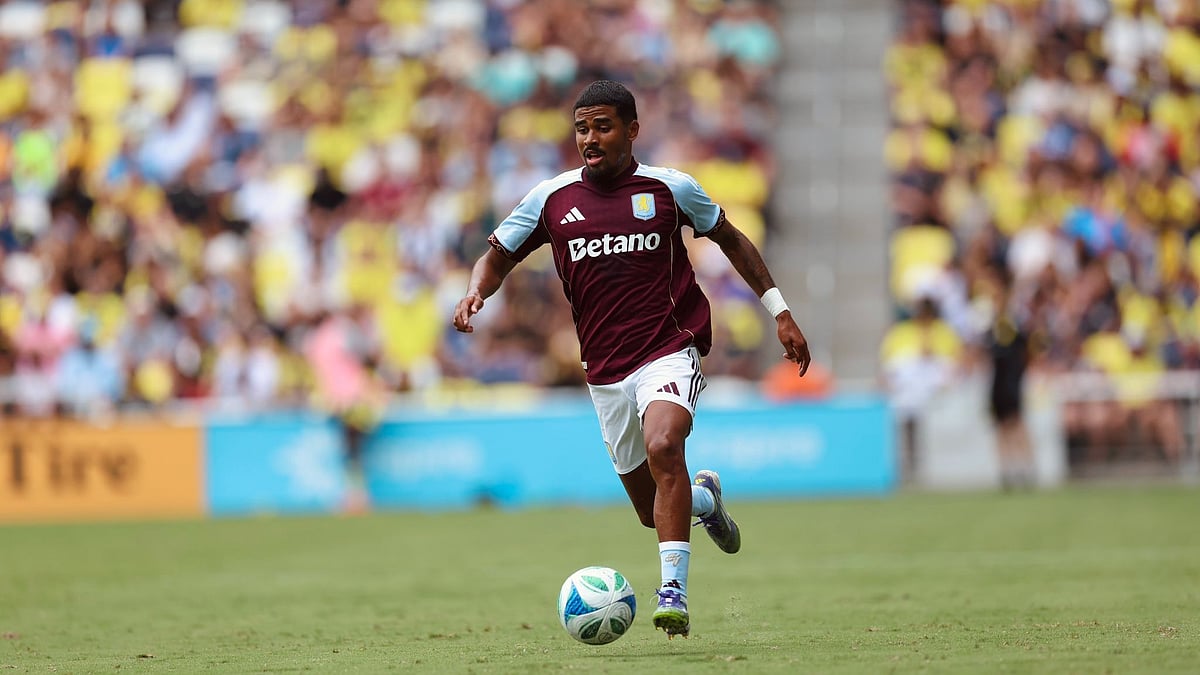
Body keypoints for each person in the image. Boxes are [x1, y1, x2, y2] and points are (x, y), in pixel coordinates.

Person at [452, 80, 811, 638]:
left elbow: (733, 240)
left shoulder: (670, 189)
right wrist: (478, 291)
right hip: (605, 372)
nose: (590, 139)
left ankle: (674, 592)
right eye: (581, 129)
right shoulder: (552, 199)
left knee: (666, 444)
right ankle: (705, 501)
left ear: (632, 130)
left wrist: (779, 311)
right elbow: (497, 255)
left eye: (602, 127)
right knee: (652, 510)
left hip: (670, 346)